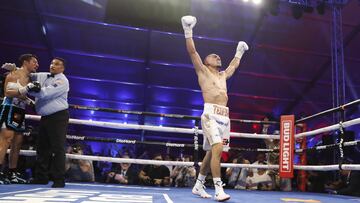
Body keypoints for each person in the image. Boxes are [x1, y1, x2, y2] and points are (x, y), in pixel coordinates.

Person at [181, 15, 248, 201]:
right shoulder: (202, 71)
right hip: (210, 115)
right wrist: (188, 30)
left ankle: (198, 185)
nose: (218, 56)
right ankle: (219, 189)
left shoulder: (222, 75)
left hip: (224, 117)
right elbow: (193, 52)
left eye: (218, 56)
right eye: (213, 55)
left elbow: (233, 66)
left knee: (212, 153)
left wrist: (239, 52)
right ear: (206, 61)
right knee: (217, 147)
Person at [22, 57, 69, 188]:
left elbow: (44, 94)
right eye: (52, 63)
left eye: (57, 64)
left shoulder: (62, 80)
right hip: (45, 117)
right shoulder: (43, 75)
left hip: (58, 117)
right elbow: (28, 73)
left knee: (58, 148)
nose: (53, 66)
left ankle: (59, 179)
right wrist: (16, 70)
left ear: (62, 68)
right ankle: (41, 177)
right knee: (42, 148)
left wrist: (26, 90)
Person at [0, 54, 39, 184]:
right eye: (34, 62)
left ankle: (12, 173)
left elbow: (21, 94)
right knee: (6, 140)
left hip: (20, 111)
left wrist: (31, 103)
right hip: (9, 108)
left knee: (17, 143)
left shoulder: (29, 78)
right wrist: (27, 88)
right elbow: (8, 92)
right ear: (25, 62)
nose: (37, 65)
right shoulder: (14, 73)